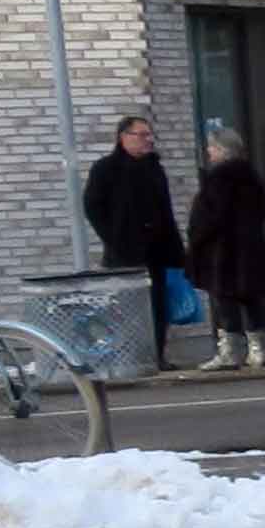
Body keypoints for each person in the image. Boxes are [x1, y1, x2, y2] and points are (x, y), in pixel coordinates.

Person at [80, 116, 187, 372]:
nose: (147, 140)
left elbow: (165, 210)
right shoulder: (106, 169)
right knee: (127, 308)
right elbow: (93, 207)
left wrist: (176, 249)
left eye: (149, 135)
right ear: (123, 137)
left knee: (157, 306)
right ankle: (128, 356)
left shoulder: (154, 167)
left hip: (157, 250)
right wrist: (113, 238)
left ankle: (157, 355)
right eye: (141, 135)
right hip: (124, 252)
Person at [182, 124, 265, 370]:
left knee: (225, 300)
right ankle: (257, 349)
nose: (209, 151)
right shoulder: (252, 177)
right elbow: (262, 211)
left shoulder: (218, 178)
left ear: (224, 150)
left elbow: (211, 217)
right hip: (250, 247)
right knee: (251, 298)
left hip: (222, 250)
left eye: (212, 147)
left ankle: (229, 351)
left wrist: (196, 239)